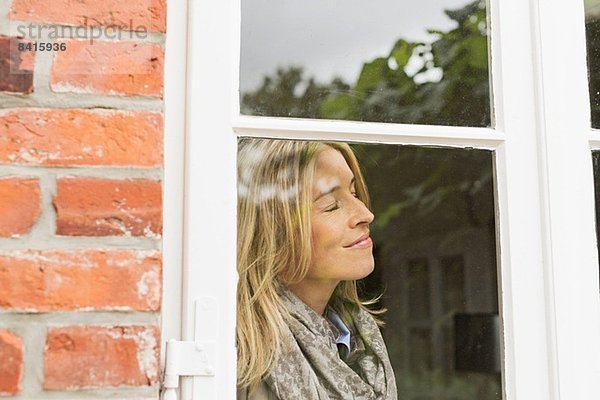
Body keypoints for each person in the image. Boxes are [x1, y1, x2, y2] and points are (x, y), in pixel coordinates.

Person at [236, 138, 397, 400]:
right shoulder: (239, 365)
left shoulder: (360, 339)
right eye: (331, 205)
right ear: (274, 234)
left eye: (354, 194)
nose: (365, 213)